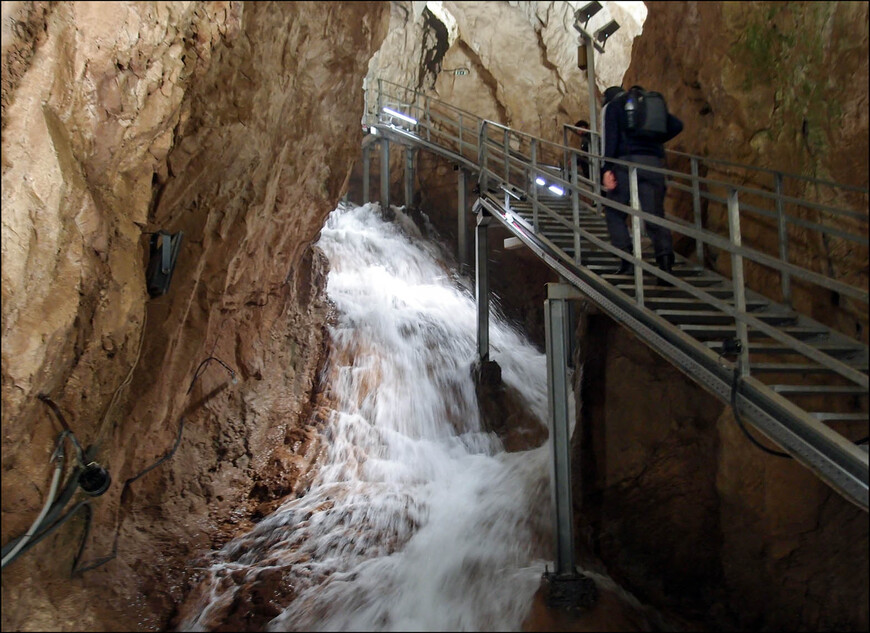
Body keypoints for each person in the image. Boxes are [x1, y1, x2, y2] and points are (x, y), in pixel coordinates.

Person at [600, 85, 683, 280]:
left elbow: (610, 138)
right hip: (653, 164)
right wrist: (653, 142)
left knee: (613, 211)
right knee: (654, 215)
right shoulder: (650, 105)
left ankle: (627, 260)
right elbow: (677, 125)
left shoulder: (614, 106)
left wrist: (606, 169)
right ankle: (665, 265)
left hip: (626, 163)